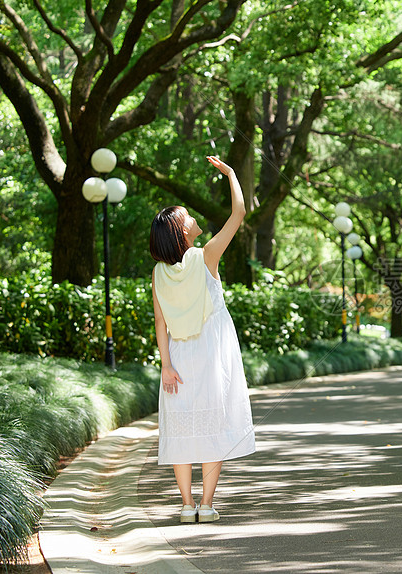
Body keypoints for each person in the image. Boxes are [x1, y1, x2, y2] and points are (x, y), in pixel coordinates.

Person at [149, 156, 256, 523]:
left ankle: (185, 505)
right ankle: (207, 506)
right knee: (211, 424)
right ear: (181, 231)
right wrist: (231, 174)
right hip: (211, 352)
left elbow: (160, 323)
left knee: (180, 428)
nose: (193, 218)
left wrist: (165, 366)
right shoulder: (206, 256)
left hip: (177, 356)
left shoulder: (159, 274)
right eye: (187, 216)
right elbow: (239, 212)